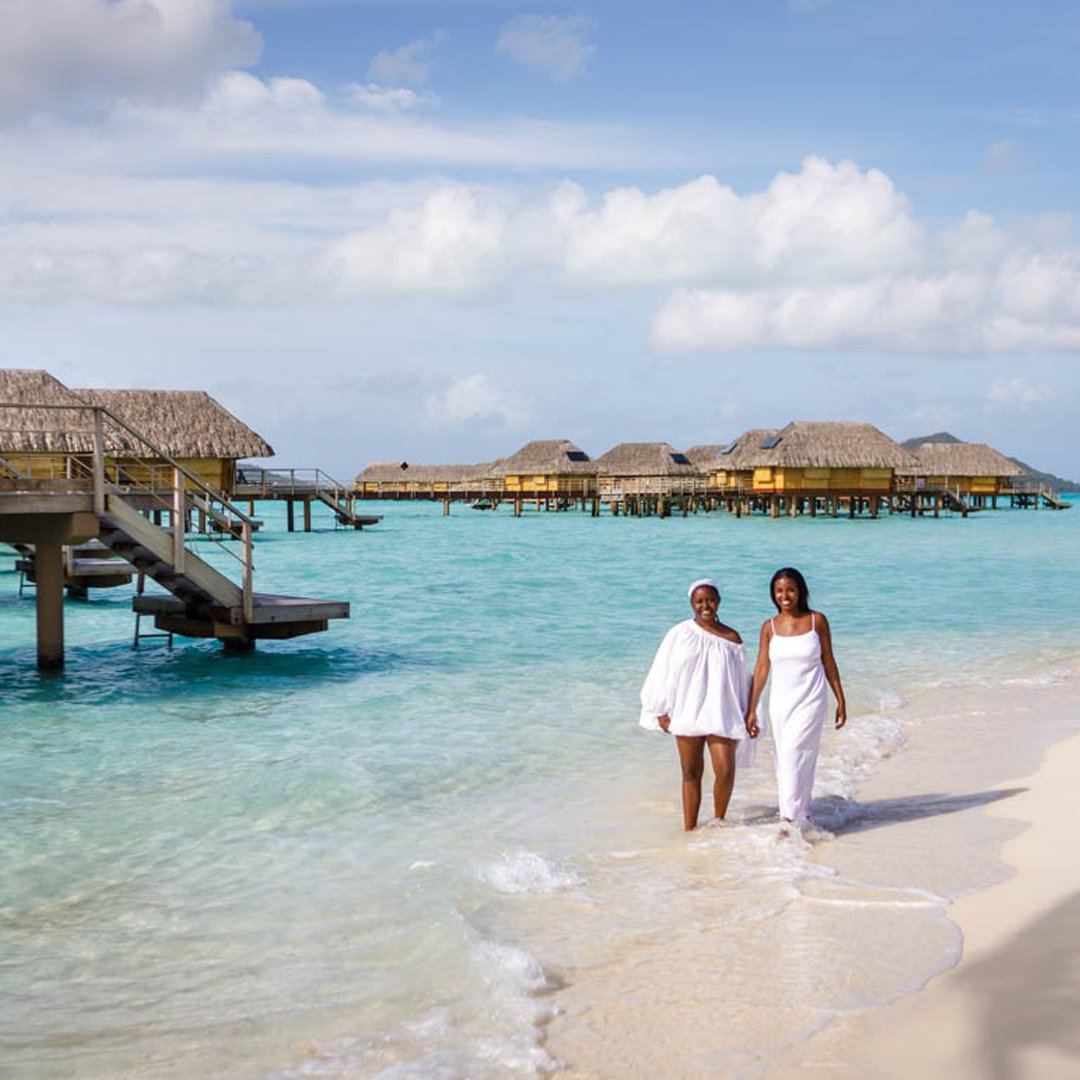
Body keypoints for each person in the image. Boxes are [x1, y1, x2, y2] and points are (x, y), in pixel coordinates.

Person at [640, 579, 753, 831]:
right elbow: (663, 670)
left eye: (710, 599)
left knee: (725, 771)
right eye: (699, 601)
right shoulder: (679, 633)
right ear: (692, 603)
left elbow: (743, 681)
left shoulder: (732, 638)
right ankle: (689, 830)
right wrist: (658, 709)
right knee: (691, 773)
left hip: (722, 712)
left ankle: (718, 822)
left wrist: (749, 713)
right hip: (687, 711)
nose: (705, 605)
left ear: (719, 601)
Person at [744, 567, 847, 828]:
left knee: (793, 752)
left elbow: (829, 661)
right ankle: (802, 814)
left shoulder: (817, 621)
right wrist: (752, 708)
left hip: (811, 700)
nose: (785, 595)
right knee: (788, 759)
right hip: (780, 703)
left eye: (790, 589)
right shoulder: (769, 627)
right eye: (779, 591)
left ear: (800, 590)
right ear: (773, 594)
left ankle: (788, 820)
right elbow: (761, 668)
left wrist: (840, 699)